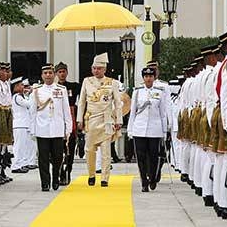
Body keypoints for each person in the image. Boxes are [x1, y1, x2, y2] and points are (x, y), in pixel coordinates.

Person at [78, 53, 123, 187]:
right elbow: (81, 102)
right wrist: (79, 119)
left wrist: (119, 120)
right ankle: (91, 174)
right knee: (89, 150)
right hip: (91, 119)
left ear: (104, 69)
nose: (96, 71)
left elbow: (118, 103)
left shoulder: (112, 83)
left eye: (99, 68)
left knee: (106, 152)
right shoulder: (87, 81)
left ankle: (105, 178)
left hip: (106, 120)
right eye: (94, 68)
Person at [29, 65, 72, 192]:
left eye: (50, 73)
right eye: (45, 73)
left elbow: (66, 111)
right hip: (42, 129)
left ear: (54, 75)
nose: (48, 75)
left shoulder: (61, 89)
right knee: (43, 158)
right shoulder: (37, 90)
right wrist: (32, 130)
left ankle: (56, 179)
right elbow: (32, 112)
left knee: (58, 157)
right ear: (42, 76)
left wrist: (68, 129)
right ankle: (45, 182)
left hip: (57, 129)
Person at [128, 67, 169, 192]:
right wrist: (130, 129)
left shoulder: (160, 92)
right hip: (139, 128)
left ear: (154, 77)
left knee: (153, 156)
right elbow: (133, 112)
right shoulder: (138, 91)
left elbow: (162, 113)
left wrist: (164, 131)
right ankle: (144, 181)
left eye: (150, 76)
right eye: (146, 76)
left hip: (154, 129)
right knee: (140, 156)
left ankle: (152, 177)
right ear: (143, 78)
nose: (148, 79)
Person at [54, 62, 80, 184]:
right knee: (58, 149)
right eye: (59, 72)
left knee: (70, 148)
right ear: (56, 74)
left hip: (71, 117)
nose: (62, 74)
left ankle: (68, 171)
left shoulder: (73, 86)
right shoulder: (54, 88)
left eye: (64, 71)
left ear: (67, 72)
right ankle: (59, 172)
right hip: (58, 118)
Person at [10, 79, 34, 173]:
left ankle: (21, 164)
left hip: (23, 125)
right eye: (21, 85)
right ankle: (15, 166)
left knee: (23, 147)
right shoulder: (17, 97)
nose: (23, 87)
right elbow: (29, 104)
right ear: (15, 87)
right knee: (18, 147)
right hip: (19, 125)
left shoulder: (21, 96)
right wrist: (32, 95)